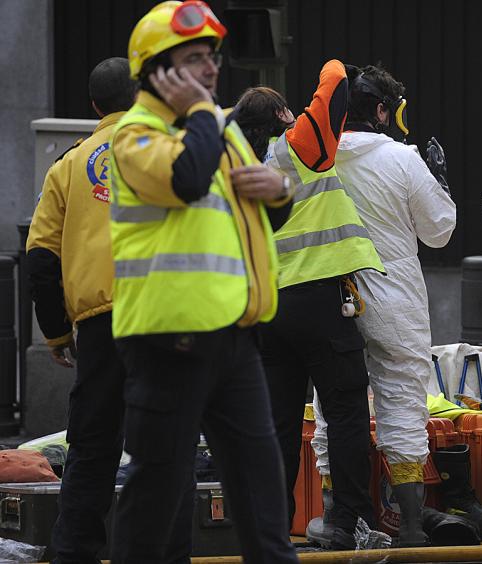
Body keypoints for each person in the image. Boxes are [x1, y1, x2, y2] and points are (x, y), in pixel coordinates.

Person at [108, 2, 297, 562]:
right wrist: (202, 115)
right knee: (157, 499)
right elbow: (188, 179)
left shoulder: (214, 124)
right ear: (156, 70)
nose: (211, 68)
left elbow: (263, 215)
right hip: (170, 342)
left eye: (212, 57)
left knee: (264, 500)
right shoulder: (135, 135)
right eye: (193, 58)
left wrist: (278, 188)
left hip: (235, 339)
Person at [233, 60, 386, 550]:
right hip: (319, 301)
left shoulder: (239, 168)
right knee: (343, 412)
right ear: (282, 115)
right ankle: (348, 523)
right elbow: (335, 82)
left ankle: (270, 532)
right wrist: (339, 64)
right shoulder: (300, 145)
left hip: (268, 311)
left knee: (276, 423)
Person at [307, 64, 458, 547]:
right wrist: (440, 179)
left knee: (333, 406)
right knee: (403, 404)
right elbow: (439, 231)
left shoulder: (319, 156)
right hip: (396, 295)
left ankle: (337, 519)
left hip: (336, 294)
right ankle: (411, 526)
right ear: (379, 111)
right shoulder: (402, 158)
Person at [26, 57, 136, 564]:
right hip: (164, 318)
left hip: (98, 326)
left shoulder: (68, 165)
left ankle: (76, 551)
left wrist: (55, 334)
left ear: (93, 106)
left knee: (92, 447)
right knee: (163, 443)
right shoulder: (169, 151)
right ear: (139, 97)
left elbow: (41, 259)